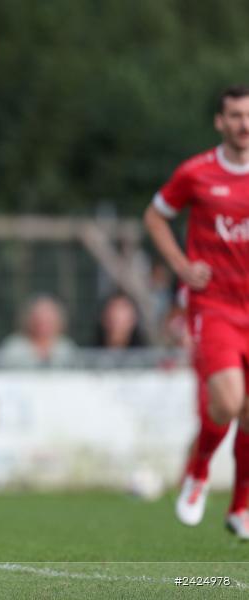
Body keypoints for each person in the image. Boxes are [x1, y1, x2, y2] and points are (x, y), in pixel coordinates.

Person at [144, 85, 249, 538]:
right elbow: (155, 216)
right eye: (236, 115)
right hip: (215, 305)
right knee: (228, 401)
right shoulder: (197, 172)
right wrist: (182, 267)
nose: (244, 124)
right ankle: (199, 470)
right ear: (220, 122)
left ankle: (240, 506)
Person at [0, 295, 78, 368]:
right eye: (38, 318)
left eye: (48, 319)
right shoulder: (14, 347)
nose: (42, 321)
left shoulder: (66, 347)